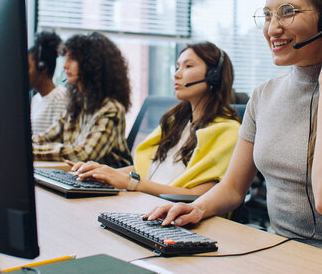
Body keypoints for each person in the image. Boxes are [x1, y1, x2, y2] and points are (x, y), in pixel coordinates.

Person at [146, 0, 322, 267]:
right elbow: (232, 188)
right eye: (268, 15)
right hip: (276, 250)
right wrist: (198, 208)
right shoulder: (264, 95)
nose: (272, 28)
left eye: (287, 11)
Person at [69, 42, 241, 197]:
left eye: (188, 66)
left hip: (177, 221)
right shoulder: (175, 122)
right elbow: (146, 170)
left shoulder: (228, 131)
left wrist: (131, 183)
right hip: (146, 205)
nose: (177, 75)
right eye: (177, 67)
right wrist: (102, 174)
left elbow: (196, 196)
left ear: (214, 76)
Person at [32, 32, 132, 167]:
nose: (65, 65)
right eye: (65, 58)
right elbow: (46, 137)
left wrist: (32, 150)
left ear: (92, 64)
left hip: (108, 186)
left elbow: (83, 155)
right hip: (80, 178)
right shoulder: (77, 103)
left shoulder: (111, 108)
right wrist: (26, 145)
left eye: (72, 59)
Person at [28, 31, 69, 136]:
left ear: (42, 67)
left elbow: (57, 138)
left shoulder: (61, 97)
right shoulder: (36, 99)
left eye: (28, 67)